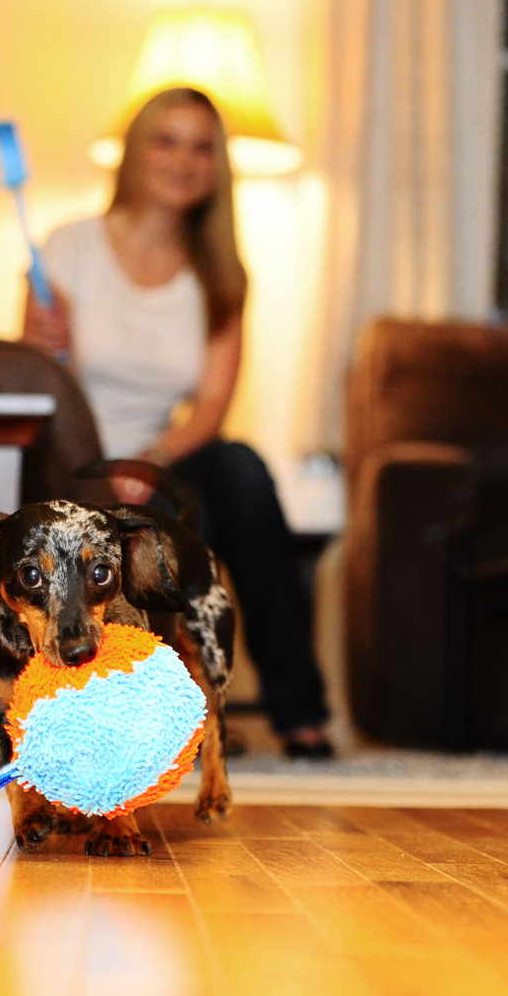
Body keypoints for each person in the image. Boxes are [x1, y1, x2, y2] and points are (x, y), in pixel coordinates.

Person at [21, 86, 333, 758]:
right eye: (167, 141)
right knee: (182, 514)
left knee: (240, 473)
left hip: (161, 457)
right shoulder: (69, 248)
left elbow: (212, 409)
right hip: (76, 461)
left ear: (218, 166)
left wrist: (151, 460)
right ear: (137, 150)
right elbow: (37, 382)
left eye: (201, 147)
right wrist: (39, 342)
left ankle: (297, 711)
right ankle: (176, 715)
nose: (183, 160)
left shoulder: (221, 276)